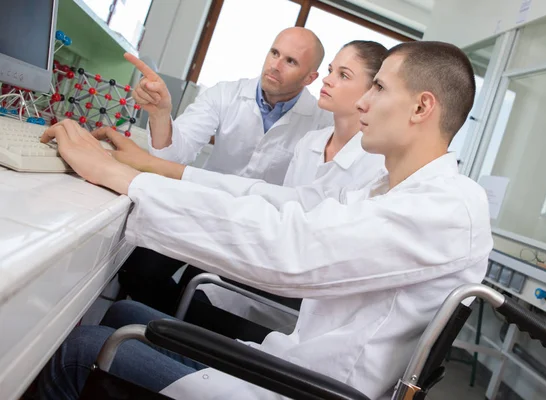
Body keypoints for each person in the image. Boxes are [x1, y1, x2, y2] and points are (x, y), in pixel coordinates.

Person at [37, 41, 493, 400]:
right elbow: (279, 203)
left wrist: (121, 177)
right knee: (123, 312)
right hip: (291, 366)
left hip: (300, 388)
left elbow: (288, 248)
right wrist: (145, 174)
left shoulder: (446, 209)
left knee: (80, 350)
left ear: (420, 108)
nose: (363, 103)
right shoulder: (393, 192)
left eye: (379, 88)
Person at [152, 39, 389, 335]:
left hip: (285, 287)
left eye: (343, 75)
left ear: (373, 91)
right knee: (147, 265)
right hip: (250, 248)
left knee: (182, 297)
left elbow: (293, 226)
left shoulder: (376, 164)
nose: (329, 80)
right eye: (331, 70)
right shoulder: (311, 143)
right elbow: (277, 212)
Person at [117, 27, 333, 312]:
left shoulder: (322, 122)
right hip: (199, 210)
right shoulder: (224, 94)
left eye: (290, 61)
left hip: (252, 234)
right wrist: (160, 113)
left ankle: (170, 335)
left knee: (201, 298)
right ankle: (163, 328)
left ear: (310, 78)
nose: (275, 65)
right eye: (274, 52)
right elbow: (173, 156)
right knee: (136, 271)